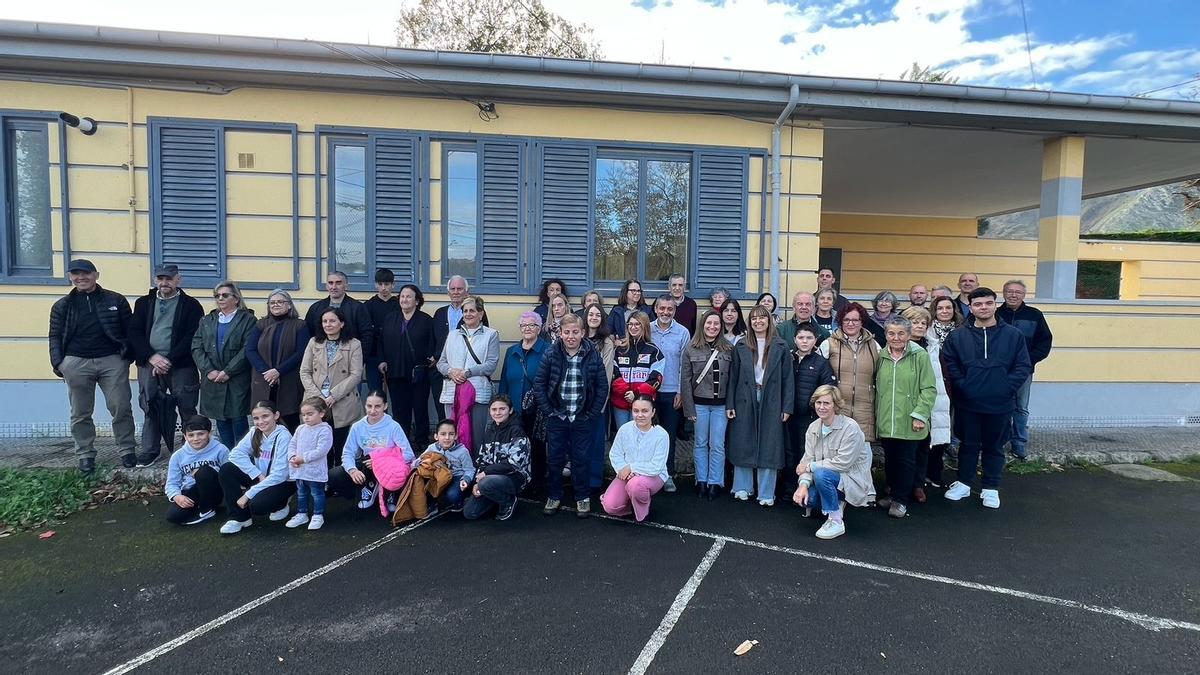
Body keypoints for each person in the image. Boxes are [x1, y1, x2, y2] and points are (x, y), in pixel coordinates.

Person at [941, 288, 1032, 510]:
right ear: (970, 307)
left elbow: (1022, 366)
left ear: (994, 305)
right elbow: (951, 365)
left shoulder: (1012, 335)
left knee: (994, 446)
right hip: (968, 402)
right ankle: (963, 483)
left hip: (1000, 403)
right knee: (968, 444)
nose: (984, 307)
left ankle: (991, 488)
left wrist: (1005, 387)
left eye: (988, 303)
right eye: (978, 304)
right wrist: (964, 386)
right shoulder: (958, 336)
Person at [48, 258, 137, 474]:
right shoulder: (62, 305)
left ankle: (127, 450)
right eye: (76, 274)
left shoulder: (115, 299)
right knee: (80, 412)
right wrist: (59, 363)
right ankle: (85, 454)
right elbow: (55, 336)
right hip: (76, 362)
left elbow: (131, 331)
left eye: (86, 273)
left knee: (121, 406)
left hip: (112, 360)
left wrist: (127, 356)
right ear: (70, 277)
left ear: (96, 275)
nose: (81, 277)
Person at [128, 263, 204, 466]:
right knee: (150, 405)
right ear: (155, 280)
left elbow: (192, 336)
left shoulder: (191, 305)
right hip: (148, 364)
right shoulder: (143, 303)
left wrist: (169, 359)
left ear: (178, 279)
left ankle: (190, 448)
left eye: (169, 278)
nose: (164, 282)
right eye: (160, 278)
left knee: (186, 406)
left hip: (181, 365)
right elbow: (134, 333)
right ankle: (150, 450)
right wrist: (152, 357)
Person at [534, 314, 608, 518]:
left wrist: (592, 414)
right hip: (558, 416)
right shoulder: (551, 354)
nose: (571, 336)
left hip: (582, 417)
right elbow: (539, 384)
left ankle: (582, 497)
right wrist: (549, 411)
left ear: (583, 333)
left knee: (581, 459)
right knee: (556, 459)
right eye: (566, 332)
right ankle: (554, 495)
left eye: (575, 332)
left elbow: (602, 386)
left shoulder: (592, 355)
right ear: (560, 333)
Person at [726, 305, 794, 506]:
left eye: (762, 318)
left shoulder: (781, 346)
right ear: (750, 322)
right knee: (743, 440)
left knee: (769, 443)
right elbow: (733, 378)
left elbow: (788, 379)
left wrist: (787, 407)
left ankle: (766, 493)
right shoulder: (741, 346)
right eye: (754, 318)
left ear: (769, 321)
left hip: (771, 397)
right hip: (744, 396)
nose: (758, 322)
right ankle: (742, 487)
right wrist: (730, 403)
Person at [873, 317, 936, 519]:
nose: (896, 337)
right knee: (891, 460)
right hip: (887, 418)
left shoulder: (920, 355)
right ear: (886, 335)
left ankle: (901, 501)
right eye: (891, 333)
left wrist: (920, 415)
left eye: (901, 333)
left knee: (907, 461)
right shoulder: (881, 356)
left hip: (910, 420)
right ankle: (892, 495)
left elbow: (929, 389)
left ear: (909, 335)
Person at [793, 385, 874, 540]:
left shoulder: (850, 428)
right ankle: (836, 502)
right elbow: (807, 458)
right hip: (829, 479)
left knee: (821, 473)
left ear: (836, 405)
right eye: (818, 403)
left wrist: (811, 466)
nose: (821, 407)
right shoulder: (813, 427)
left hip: (851, 481)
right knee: (806, 499)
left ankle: (836, 521)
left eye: (826, 403)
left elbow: (842, 463)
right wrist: (802, 485)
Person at [192, 281, 256, 449]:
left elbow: (248, 348)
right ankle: (227, 454)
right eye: (217, 296)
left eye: (225, 295)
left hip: (236, 377)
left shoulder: (248, 319)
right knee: (220, 417)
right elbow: (196, 347)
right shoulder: (207, 320)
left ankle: (243, 455)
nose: (220, 298)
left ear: (236, 298)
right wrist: (209, 370)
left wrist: (228, 371)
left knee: (238, 417)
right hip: (212, 377)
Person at [217, 400, 295, 534]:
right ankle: (239, 518)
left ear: (276, 415)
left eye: (265, 416)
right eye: (256, 418)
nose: (260, 421)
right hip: (262, 477)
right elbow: (235, 454)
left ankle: (281, 503)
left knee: (258, 506)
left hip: (282, 482)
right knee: (226, 469)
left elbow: (280, 475)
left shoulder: (284, 436)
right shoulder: (254, 431)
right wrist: (257, 474)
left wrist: (248, 494)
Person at [328, 390, 414, 510]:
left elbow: (409, 455)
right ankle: (366, 488)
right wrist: (353, 471)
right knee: (334, 475)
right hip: (368, 466)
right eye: (369, 406)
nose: (372, 411)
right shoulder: (357, 427)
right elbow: (348, 453)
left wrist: (381, 463)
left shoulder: (393, 426)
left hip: (390, 468)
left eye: (377, 406)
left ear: (385, 406)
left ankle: (389, 492)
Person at [299, 307, 364, 466]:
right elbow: (304, 371)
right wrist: (319, 397)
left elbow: (356, 374)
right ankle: (322, 483)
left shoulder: (354, 344)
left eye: (332, 321)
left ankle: (338, 482)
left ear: (341, 323)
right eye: (325, 321)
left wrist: (333, 395)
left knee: (340, 444)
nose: (328, 324)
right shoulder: (314, 343)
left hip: (342, 400)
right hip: (316, 401)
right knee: (319, 445)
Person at [997, 279, 1054, 460]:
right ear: (1004, 293)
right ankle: (999, 440)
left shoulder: (1034, 315)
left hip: (1024, 371)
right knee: (999, 405)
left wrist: (1027, 362)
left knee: (1021, 407)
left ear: (1024, 295)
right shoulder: (995, 314)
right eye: (1010, 291)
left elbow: (1044, 342)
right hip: (998, 371)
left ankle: (1019, 442)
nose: (1013, 295)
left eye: (1018, 292)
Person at [680, 310, 733, 499]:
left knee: (717, 444)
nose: (712, 327)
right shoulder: (691, 348)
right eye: (709, 323)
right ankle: (701, 480)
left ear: (721, 326)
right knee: (700, 443)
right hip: (699, 405)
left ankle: (715, 482)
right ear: (702, 325)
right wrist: (689, 409)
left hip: (720, 405)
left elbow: (732, 380)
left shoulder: (728, 348)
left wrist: (730, 405)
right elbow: (685, 380)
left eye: (716, 324)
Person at [436, 295, 499, 452]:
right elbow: (441, 363)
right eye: (465, 311)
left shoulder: (491, 335)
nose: (468, 314)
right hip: (452, 392)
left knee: (477, 435)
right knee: (450, 433)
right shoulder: (452, 335)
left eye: (472, 310)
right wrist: (451, 372)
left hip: (477, 392)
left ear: (481, 313)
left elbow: (491, 365)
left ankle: (476, 469)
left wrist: (468, 372)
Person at [497, 311, 549, 495]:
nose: (527, 329)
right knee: (516, 447)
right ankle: (518, 481)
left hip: (538, 411)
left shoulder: (547, 349)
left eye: (532, 325)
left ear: (539, 328)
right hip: (515, 409)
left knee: (536, 448)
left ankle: (537, 484)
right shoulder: (512, 351)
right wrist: (501, 405)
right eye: (524, 325)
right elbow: (504, 379)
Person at [783, 322, 836, 501]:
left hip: (810, 418)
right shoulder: (787, 359)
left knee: (806, 453)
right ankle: (788, 489)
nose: (804, 341)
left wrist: (815, 409)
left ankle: (807, 491)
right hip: (788, 415)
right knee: (789, 452)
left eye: (809, 338)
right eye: (801, 337)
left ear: (816, 340)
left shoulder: (821, 363)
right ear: (794, 339)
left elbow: (828, 389)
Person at [378, 284, 436, 446]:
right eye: (402, 296)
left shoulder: (425, 320)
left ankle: (421, 441)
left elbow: (432, 343)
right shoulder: (390, 318)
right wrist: (382, 360)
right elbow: (381, 341)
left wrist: (431, 358)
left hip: (418, 371)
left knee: (420, 407)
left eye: (409, 296)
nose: (404, 299)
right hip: (395, 370)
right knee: (399, 408)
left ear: (417, 301)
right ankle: (401, 441)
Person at [818, 302, 880, 451]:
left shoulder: (874, 346)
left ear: (862, 322)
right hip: (838, 410)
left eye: (855, 320)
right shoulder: (828, 344)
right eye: (846, 320)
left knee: (862, 460)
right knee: (835, 457)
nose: (850, 323)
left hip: (865, 411)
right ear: (840, 321)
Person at [902, 306, 950, 494]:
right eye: (915, 322)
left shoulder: (932, 347)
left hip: (928, 401)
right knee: (902, 448)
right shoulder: (897, 346)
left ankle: (918, 484)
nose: (920, 326)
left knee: (923, 444)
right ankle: (898, 484)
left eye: (923, 323)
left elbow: (941, 376)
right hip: (904, 401)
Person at [247, 289, 309, 432]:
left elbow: (301, 352)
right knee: (263, 420)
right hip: (263, 380)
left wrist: (278, 371)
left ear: (289, 305)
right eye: (272, 302)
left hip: (289, 380)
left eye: (280, 302)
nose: (276, 305)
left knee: (289, 422)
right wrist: (266, 372)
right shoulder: (260, 324)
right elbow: (250, 350)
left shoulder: (299, 325)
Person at [601, 395, 669, 521]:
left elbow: (657, 466)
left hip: (653, 476)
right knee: (610, 506)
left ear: (653, 412)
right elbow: (615, 453)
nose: (640, 415)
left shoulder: (661, 435)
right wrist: (623, 470)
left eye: (645, 411)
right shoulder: (625, 429)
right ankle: (630, 504)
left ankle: (643, 507)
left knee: (636, 485)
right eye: (636, 410)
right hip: (627, 474)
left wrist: (632, 468)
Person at [464, 395, 532, 521]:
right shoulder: (489, 431)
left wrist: (486, 474)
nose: (498, 413)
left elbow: (514, 463)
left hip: (514, 478)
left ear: (510, 410)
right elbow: (481, 460)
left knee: (486, 483)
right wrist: (476, 483)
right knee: (470, 513)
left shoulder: (517, 430)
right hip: (489, 479)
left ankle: (508, 501)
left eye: (502, 409)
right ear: (489, 411)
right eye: (494, 409)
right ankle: (495, 497)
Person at [649, 294, 690, 493]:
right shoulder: (646, 328)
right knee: (647, 435)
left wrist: (681, 392)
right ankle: (647, 474)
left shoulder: (682, 332)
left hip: (672, 390)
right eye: (662, 308)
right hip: (648, 392)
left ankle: (667, 474)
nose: (665, 312)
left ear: (675, 311)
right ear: (656, 309)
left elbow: (685, 365)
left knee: (669, 436)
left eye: (670, 309)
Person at [164, 415, 229, 525]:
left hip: (214, 489)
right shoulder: (178, 456)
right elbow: (171, 483)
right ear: (185, 436)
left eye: (201, 434)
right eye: (191, 435)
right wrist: (177, 496)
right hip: (192, 490)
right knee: (173, 516)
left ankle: (207, 510)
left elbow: (229, 474)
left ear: (209, 433)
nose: (196, 438)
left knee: (204, 472)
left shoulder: (221, 450)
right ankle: (199, 507)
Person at [431, 275, 480, 418]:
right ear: (448, 292)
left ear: (467, 291)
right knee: (444, 412)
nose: (456, 292)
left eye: (460, 289)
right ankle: (445, 439)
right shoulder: (440, 313)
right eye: (453, 289)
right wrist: (433, 356)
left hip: (466, 372)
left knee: (465, 412)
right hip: (442, 370)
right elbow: (432, 338)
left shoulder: (476, 313)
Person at [303, 270, 374, 362]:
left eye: (338, 283)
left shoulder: (358, 308)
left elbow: (367, 336)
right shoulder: (316, 308)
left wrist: (360, 360)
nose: (334, 287)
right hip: (320, 361)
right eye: (330, 283)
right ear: (326, 286)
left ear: (346, 286)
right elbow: (308, 334)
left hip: (349, 361)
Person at [285, 397, 334, 530]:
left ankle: (318, 515)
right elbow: (292, 444)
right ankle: (302, 513)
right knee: (301, 493)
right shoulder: (300, 429)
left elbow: (322, 450)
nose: (306, 417)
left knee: (317, 493)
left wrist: (303, 458)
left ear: (321, 413)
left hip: (315, 471)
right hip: (300, 470)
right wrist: (292, 457)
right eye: (304, 414)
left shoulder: (325, 430)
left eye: (310, 414)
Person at [583, 302, 617, 494]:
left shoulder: (606, 342)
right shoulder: (578, 338)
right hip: (579, 400)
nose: (594, 318)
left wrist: (600, 402)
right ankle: (581, 476)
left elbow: (606, 373)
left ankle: (595, 480)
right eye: (591, 314)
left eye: (597, 315)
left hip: (597, 400)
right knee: (580, 442)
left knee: (596, 442)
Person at [610, 311, 664, 428]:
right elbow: (614, 374)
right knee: (624, 435)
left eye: (637, 324)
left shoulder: (654, 351)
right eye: (630, 324)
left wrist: (636, 394)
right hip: (621, 402)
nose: (633, 327)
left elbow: (656, 379)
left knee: (640, 437)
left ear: (644, 326)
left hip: (643, 404)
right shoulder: (620, 349)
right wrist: (626, 393)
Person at [415, 419, 475, 513]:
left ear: (456, 436)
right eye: (443, 434)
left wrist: (466, 480)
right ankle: (433, 502)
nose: (447, 437)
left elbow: (469, 469)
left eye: (451, 434)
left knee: (452, 496)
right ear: (436, 436)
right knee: (423, 485)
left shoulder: (462, 451)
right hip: (438, 477)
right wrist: (431, 462)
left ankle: (461, 498)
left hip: (456, 477)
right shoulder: (432, 448)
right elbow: (418, 462)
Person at [363, 268, 400, 394]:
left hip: (394, 355)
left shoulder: (399, 305)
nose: (383, 287)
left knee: (396, 393)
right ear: (375, 284)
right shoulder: (368, 305)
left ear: (393, 284)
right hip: (372, 355)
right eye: (380, 284)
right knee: (375, 393)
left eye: (387, 284)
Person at [607, 278, 652, 345]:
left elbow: (652, 331)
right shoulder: (616, 311)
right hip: (622, 347)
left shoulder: (647, 310)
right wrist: (614, 340)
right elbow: (608, 331)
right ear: (626, 292)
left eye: (639, 291)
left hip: (642, 347)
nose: (637, 293)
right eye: (633, 290)